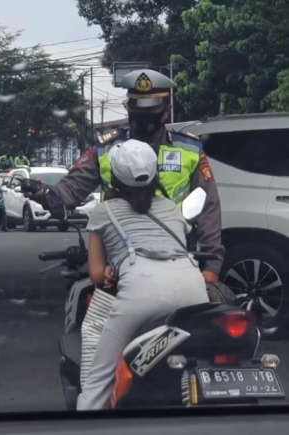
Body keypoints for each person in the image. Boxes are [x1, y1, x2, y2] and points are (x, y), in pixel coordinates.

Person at [20, 68, 224, 384]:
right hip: (127, 264)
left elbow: (209, 208)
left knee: (95, 349)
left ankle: (92, 399)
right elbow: (70, 191)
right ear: (128, 109)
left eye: (151, 111)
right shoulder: (105, 148)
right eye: (136, 110)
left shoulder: (190, 149)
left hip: (181, 260)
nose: (143, 118)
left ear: (166, 111)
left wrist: (211, 267)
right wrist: (46, 195)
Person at [78, 139, 209, 410]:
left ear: (114, 178)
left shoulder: (102, 211)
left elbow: (96, 275)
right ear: (154, 176)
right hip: (194, 290)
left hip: (142, 294)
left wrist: (110, 273)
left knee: (98, 380)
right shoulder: (171, 209)